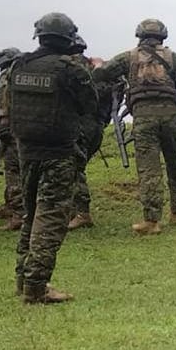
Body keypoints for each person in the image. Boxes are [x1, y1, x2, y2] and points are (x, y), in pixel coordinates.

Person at [5, 13, 97, 304]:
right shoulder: (70, 70)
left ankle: (23, 279)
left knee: (30, 215)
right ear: (69, 38)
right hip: (58, 153)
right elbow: (90, 105)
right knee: (52, 217)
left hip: (26, 151)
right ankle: (36, 286)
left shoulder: (19, 64)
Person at [95, 19, 176, 234]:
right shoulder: (175, 58)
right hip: (171, 116)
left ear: (139, 35)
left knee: (149, 168)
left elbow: (101, 74)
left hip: (144, 118)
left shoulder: (129, 57)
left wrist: (98, 63)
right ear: (163, 36)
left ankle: (152, 221)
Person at [68, 36, 112, 230]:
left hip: (79, 124)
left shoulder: (71, 67)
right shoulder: (97, 68)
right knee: (75, 166)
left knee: (73, 167)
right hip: (96, 125)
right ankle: (72, 210)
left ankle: (81, 213)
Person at [0, 47, 25, 231]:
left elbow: (5, 101)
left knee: (13, 169)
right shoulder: (25, 72)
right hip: (29, 126)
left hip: (14, 129)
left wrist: (3, 122)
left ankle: (19, 214)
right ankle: (13, 207)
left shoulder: (8, 76)